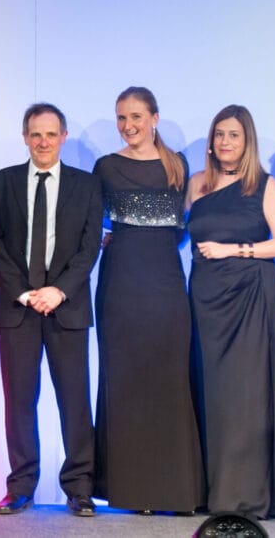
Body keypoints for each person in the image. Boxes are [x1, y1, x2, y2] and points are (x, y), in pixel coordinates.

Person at [0, 103, 103, 518]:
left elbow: (89, 247)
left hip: (66, 307)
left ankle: (79, 487)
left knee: (75, 400)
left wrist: (59, 291)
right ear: (25, 137)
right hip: (16, 308)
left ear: (63, 137)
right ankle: (20, 486)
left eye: (51, 134)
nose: (43, 142)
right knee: (19, 401)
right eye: (36, 134)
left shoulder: (87, 185)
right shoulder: (1, 182)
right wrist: (23, 292)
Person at [92, 86, 205, 513]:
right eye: (122, 118)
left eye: (136, 116)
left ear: (154, 118)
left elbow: (181, 229)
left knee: (169, 381)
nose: (128, 125)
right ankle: (135, 491)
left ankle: (176, 491)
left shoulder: (178, 166)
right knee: (127, 382)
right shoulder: (106, 167)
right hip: (120, 284)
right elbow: (90, 221)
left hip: (166, 283)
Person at [186, 104, 275, 518]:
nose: (225, 142)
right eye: (219, 134)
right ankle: (209, 490)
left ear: (247, 140)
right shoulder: (196, 184)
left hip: (250, 298)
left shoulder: (264, 185)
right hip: (204, 300)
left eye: (233, 135)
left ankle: (247, 496)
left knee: (245, 393)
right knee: (210, 392)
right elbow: (176, 234)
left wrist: (233, 250)